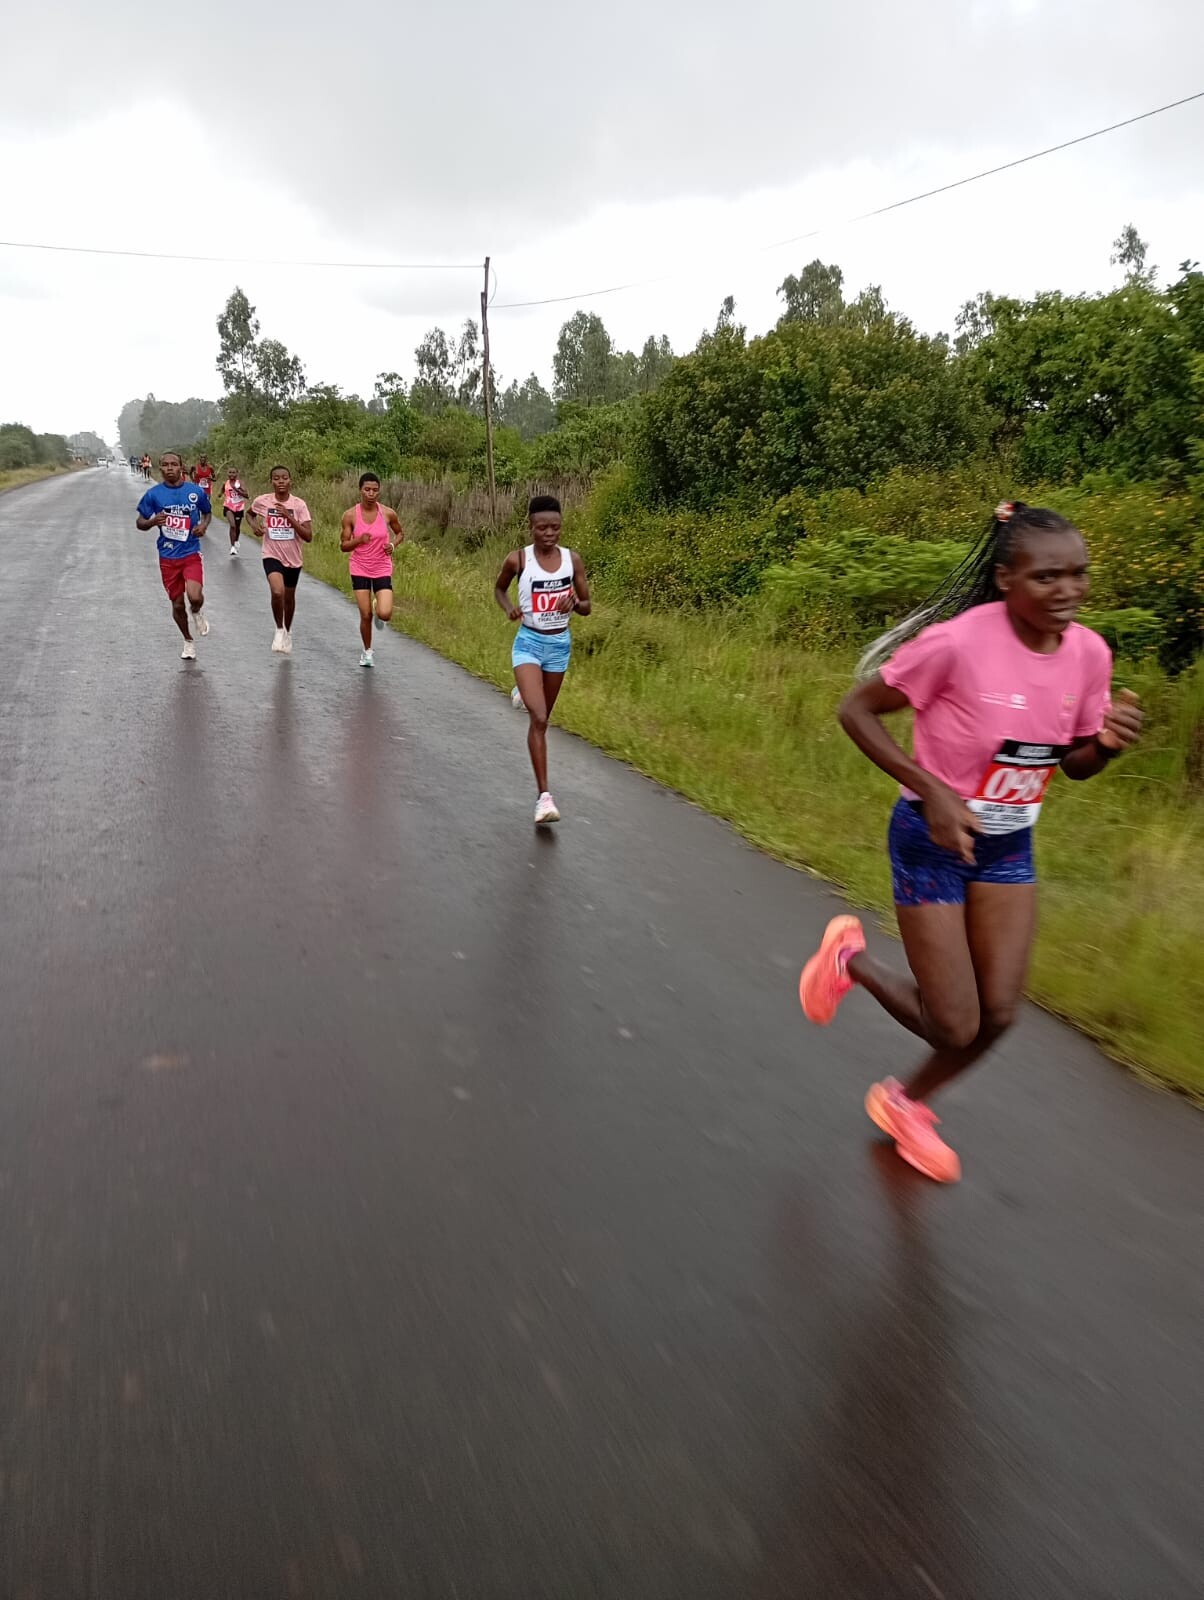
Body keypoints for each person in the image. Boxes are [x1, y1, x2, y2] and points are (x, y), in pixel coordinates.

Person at [798, 502, 1143, 1183]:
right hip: (930, 841)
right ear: (1007, 578)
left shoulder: (1088, 654)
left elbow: (1072, 763)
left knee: (1000, 1013)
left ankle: (905, 1103)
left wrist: (1104, 746)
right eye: (1047, 576)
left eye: (1078, 574)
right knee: (954, 1024)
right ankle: (850, 961)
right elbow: (856, 710)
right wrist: (930, 789)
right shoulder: (956, 644)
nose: (1068, 590)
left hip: (1008, 846)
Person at [493, 495, 591, 825]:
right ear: (531, 527)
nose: (549, 533)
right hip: (529, 644)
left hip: (559, 646)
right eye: (542, 528)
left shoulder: (572, 560)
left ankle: (524, 692)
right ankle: (544, 798)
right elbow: (499, 590)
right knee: (538, 718)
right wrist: (510, 609)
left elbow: (587, 606)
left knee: (544, 715)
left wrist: (574, 603)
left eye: (555, 528)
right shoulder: (518, 559)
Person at [134, 450, 212, 659]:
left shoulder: (194, 491)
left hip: (191, 552)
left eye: (174, 464)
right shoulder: (154, 494)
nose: (170, 468)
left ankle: (197, 611)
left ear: (181, 467)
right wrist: (153, 522)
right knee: (177, 604)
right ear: (160, 468)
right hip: (168, 556)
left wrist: (203, 525)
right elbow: (140, 522)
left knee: (195, 596)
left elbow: (207, 512)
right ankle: (188, 640)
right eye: (166, 464)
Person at [339, 472, 404, 667]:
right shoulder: (350, 515)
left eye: (375, 490)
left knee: (385, 614)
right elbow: (343, 545)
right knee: (365, 614)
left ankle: (379, 606)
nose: (371, 494)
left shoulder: (388, 513)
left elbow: (400, 533)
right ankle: (367, 652)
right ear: (360, 490)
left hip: (381, 566)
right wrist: (359, 540)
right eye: (367, 489)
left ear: (379, 491)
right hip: (359, 567)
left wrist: (392, 545)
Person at [247, 466, 313, 654]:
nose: (281, 481)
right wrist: (254, 526)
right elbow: (249, 514)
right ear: (271, 482)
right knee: (278, 592)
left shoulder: (299, 505)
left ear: (290, 480)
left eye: (284, 478)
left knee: (289, 598)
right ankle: (278, 629)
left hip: (293, 558)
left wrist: (288, 517)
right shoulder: (263, 501)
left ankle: (288, 631)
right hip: (271, 554)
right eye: (276, 478)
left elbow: (308, 536)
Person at [222, 467, 249, 555]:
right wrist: (220, 494)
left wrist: (237, 490)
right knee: (232, 525)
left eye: (233, 472)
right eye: (230, 472)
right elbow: (222, 490)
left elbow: (246, 495)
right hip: (228, 506)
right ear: (227, 473)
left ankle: (236, 540)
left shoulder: (240, 483)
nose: (231, 474)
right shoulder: (225, 483)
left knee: (237, 527)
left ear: (237, 474)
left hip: (239, 507)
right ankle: (233, 547)